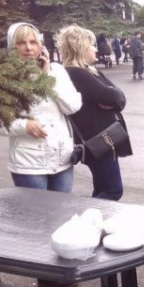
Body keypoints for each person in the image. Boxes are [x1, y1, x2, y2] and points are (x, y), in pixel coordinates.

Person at [0, 22, 81, 194]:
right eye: (22, 43)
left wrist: (47, 77)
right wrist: (24, 126)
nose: (28, 48)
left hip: (62, 160)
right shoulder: (5, 78)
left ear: (41, 45)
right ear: (12, 47)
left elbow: (72, 107)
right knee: (36, 218)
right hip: (29, 165)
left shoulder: (56, 71)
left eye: (33, 42)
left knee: (62, 215)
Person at [58, 25, 132, 201]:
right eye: (92, 45)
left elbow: (118, 96)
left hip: (102, 139)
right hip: (98, 140)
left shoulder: (88, 71)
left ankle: (92, 221)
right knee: (112, 190)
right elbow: (113, 97)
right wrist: (111, 98)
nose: (96, 49)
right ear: (81, 48)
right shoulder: (77, 74)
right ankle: (88, 221)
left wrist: (112, 97)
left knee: (104, 187)